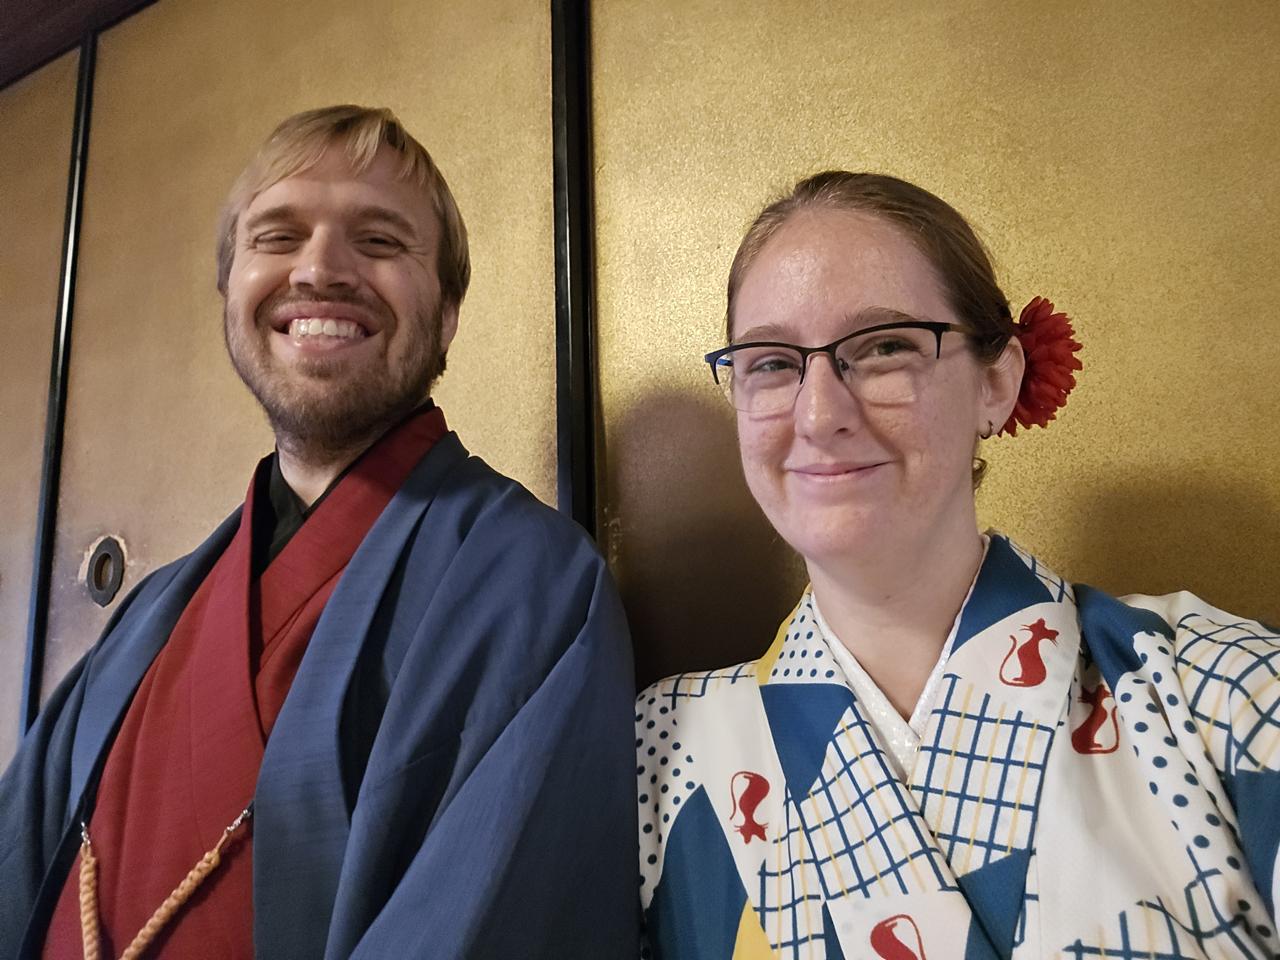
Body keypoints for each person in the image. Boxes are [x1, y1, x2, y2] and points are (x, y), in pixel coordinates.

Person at [1, 105, 638, 959]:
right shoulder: (149, 617)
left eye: (379, 241)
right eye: (277, 237)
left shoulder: (534, 583)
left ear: (448, 311)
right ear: (230, 291)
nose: (321, 268)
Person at [636, 171, 1279, 959]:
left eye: (884, 348)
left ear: (996, 382)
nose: (819, 413)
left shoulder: (1221, 693)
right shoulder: (662, 751)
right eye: (771, 362)